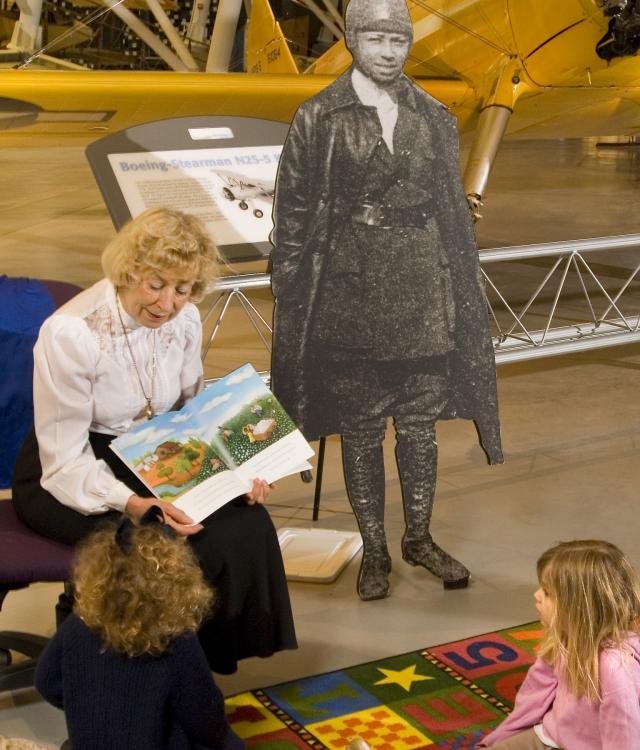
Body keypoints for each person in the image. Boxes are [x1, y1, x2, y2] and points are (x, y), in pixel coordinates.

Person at [270, 0, 503, 602]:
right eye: (375, 38)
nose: (389, 50)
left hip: (424, 282)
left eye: (398, 39)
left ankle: (418, 538)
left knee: (421, 425)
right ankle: (374, 547)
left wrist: (461, 286)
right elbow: (292, 211)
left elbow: (452, 207)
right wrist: (292, 290)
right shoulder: (318, 116)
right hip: (350, 288)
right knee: (364, 426)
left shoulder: (433, 115)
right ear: (353, 41)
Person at [11, 207, 296, 674]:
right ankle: (147, 675)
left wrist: (237, 471)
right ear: (129, 271)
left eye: (183, 290)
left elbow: (192, 410)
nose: (168, 304)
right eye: (156, 284)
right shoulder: (72, 334)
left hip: (153, 451)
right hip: (70, 470)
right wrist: (137, 504)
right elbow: (63, 462)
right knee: (167, 541)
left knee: (247, 523)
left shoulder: (183, 322)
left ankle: (199, 669)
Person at [35, 510, 244, 750]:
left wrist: (88, 705)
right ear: (178, 584)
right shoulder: (177, 640)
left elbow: (46, 682)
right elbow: (205, 718)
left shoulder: (79, 624)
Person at [478, 540, 640, 749]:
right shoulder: (567, 637)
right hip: (550, 737)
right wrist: (502, 737)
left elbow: (626, 741)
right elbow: (535, 693)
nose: (536, 595)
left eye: (548, 592)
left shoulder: (615, 669)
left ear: (578, 608)